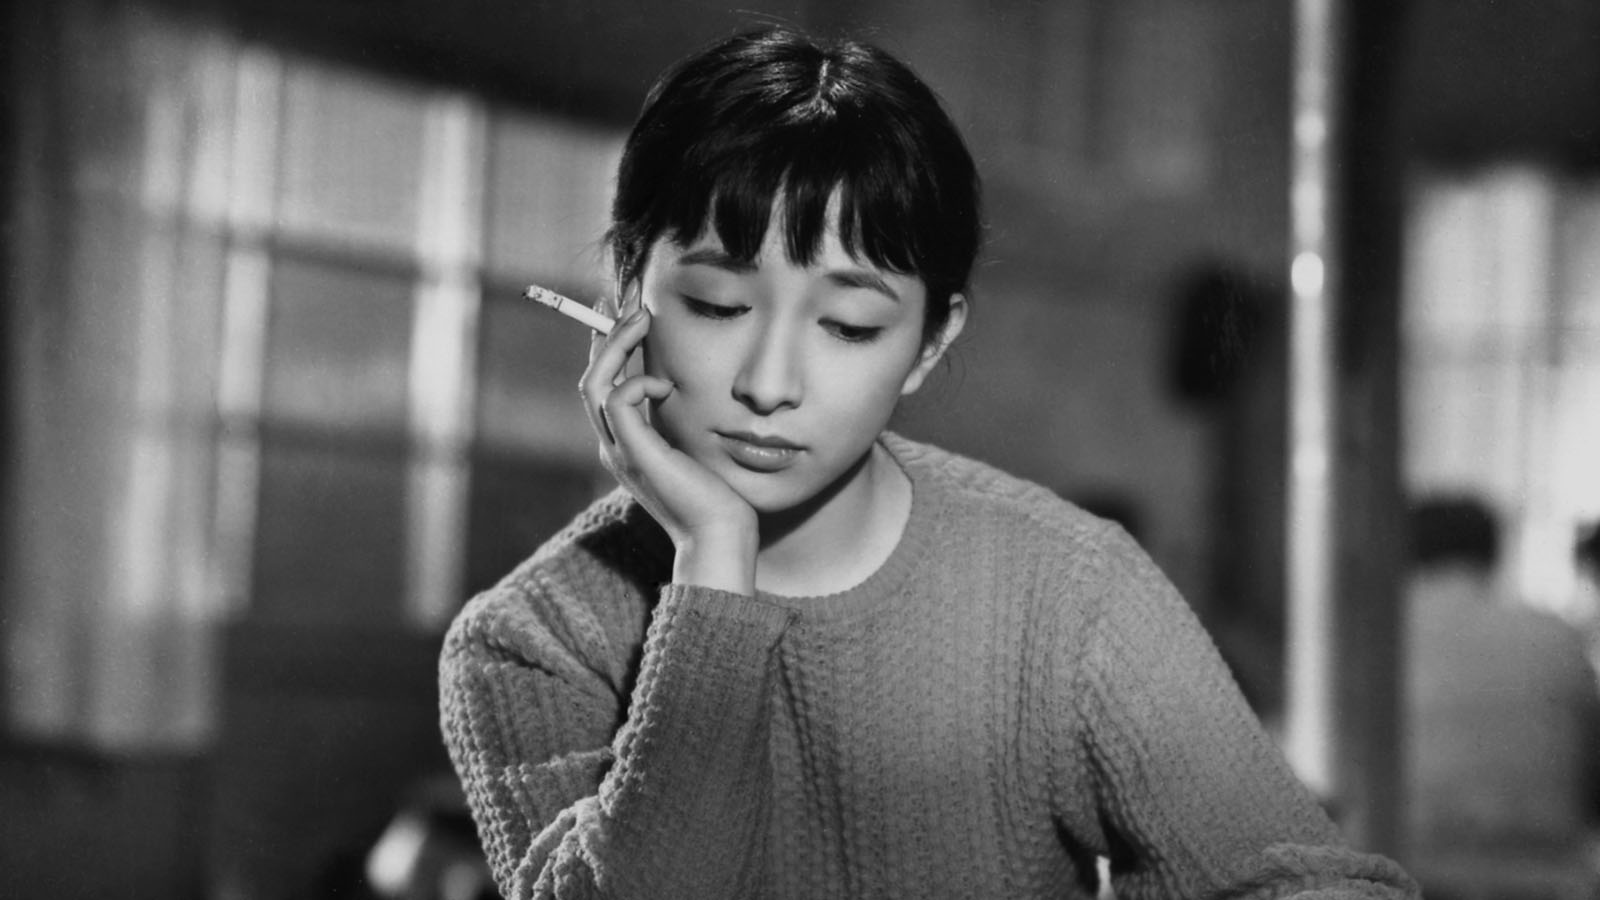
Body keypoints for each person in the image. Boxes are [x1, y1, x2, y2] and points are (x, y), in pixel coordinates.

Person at [438, 26, 1417, 899]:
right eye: (718, 306)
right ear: (626, 292)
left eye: (848, 325)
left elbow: (1304, 878)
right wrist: (714, 566)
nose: (769, 383)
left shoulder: (1067, 591)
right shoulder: (530, 640)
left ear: (930, 344)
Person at [1403, 497, 1600, 859]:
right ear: (1494, 552)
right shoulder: (1557, 636)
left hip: (1405, 859)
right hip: (1545, 865)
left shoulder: (1372, 642)